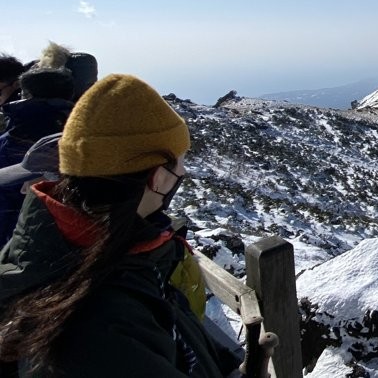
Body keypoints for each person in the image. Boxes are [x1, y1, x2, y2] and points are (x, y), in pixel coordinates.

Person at [0, 74, 242, 376]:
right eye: (179, 162)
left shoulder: (99, 252)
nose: (184, 171)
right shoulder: (101, 331)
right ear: (157, 176)